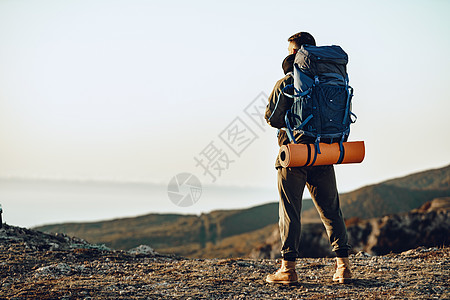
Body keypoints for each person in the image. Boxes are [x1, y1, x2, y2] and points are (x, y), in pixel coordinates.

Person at [264, 32, 352, 284]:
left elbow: (273, 118)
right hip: (324, 151)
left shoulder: (287, 82)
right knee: (331, 210)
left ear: (297, 52)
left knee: (291, 212)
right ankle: (343, 267)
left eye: (291, 50)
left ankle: (288, 270)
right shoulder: (332, 79)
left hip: (295, 154)